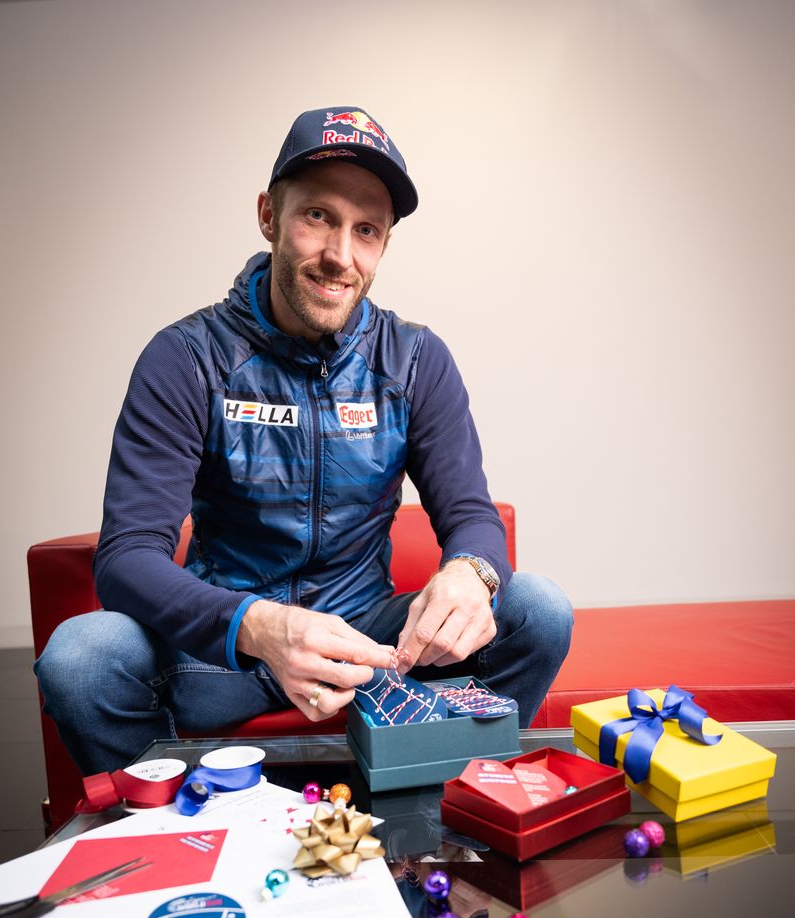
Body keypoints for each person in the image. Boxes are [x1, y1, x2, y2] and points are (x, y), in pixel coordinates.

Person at [36, 105, 573, 775]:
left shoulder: (414, 360)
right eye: (317, 216)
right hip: (222, 650)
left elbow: (470, 512)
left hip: (365, 642)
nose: (340, 255)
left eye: (366, 230)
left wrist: (473, 571)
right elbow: (127, 557)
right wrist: (258, 626)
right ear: (269, 215)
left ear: (383, 244)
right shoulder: (185, 358)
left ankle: (447, 796)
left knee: (538, 609)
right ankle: (176, 818)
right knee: (81, 659)